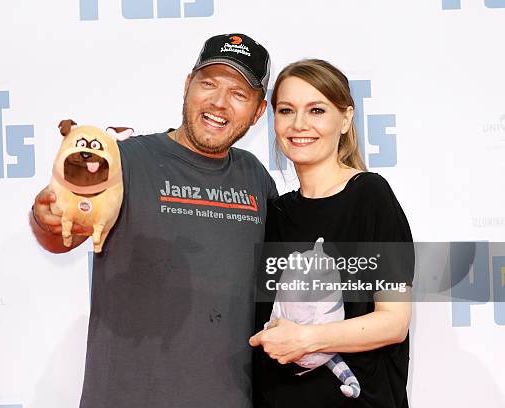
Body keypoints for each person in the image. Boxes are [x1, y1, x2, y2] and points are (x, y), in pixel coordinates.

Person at [30, 33, 278, 407]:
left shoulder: (256, 178)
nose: (218, 102)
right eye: (208, 84)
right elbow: (60, 230)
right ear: (186, 85)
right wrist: (45, 217)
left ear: (259, 112)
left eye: (239, 94)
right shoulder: (125, 160)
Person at [250, 59, 414, 408]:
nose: (299, 124)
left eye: (317, 110)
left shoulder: (371, 196)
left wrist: (307, 339)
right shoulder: (275, 212)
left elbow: (394, 322)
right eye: (286, 110)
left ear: (346, 119)